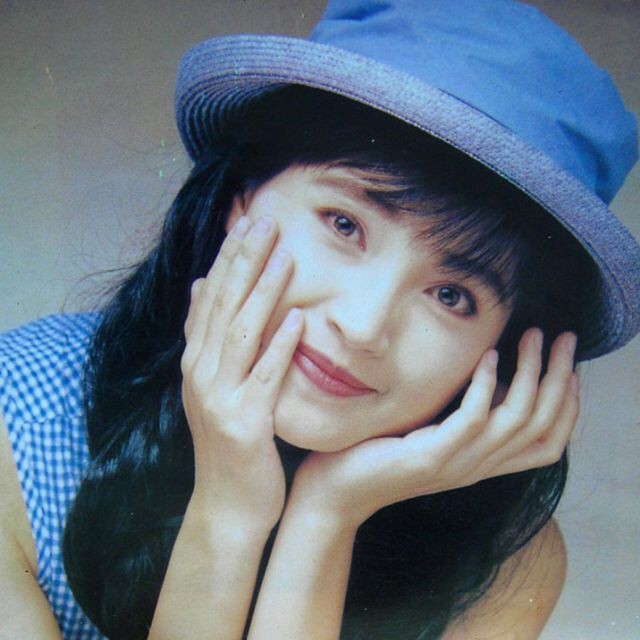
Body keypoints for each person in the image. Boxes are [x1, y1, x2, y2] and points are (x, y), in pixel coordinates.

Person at [1, 1, 638, 638]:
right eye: (343, 225)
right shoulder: (18, 434)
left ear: (508, 348)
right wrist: (229, 507)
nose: (363, 326)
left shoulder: (507, 563)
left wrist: (327, 515)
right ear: (240, 200)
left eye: (451, 295)